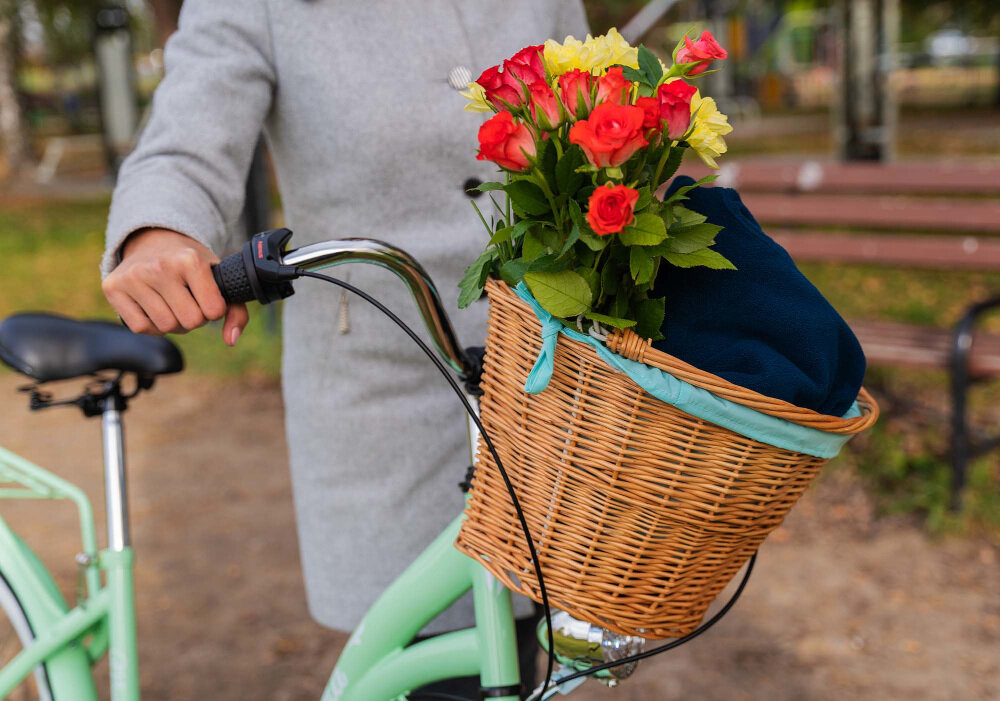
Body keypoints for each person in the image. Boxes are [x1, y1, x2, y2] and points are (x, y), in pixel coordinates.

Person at [100, 0, 590, 694]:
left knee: (531, 647)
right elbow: (185, 139)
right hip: (384, 390)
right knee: (437, 665)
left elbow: (601, 109)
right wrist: (160, 230)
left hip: (557, 383)